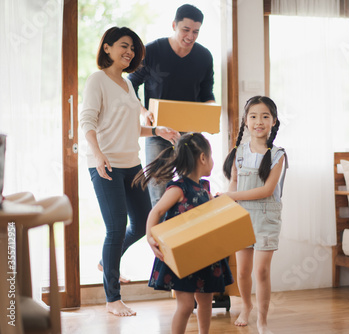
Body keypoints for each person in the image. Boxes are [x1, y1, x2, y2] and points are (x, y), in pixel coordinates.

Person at [79, 26, 180, 317]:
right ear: (107, 48)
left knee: (142, 222)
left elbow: (131, 126)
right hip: (106, 165)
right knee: (115, 227)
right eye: (124, 45)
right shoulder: (97, 80)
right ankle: (113, 298)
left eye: (133, 48)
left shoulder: (127, 84)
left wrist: (156, 130)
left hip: (131, 164)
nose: (130, 52)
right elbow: (87, 121)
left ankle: (105, 260)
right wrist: (97, 155)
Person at [133, 132, 233, 334]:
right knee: (186, 305)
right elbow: (157, 211)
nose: (212, 161)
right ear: (203, 158)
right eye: (211, 156)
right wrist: (150, 237)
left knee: (205, 302)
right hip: (182, 257)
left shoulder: (205, 188)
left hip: (205, 256)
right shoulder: (178, 188)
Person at [128, 4, 215, 208]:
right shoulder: (152, 51)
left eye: (196, 32)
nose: (190, 36)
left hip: (190, 136)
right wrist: (143, 111)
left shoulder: (204, 57)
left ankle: (185, 238)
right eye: (185, 30)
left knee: (192, 194)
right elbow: (130, 84)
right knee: (159, 195)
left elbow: (207, 94)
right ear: (174, 25)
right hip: (159, 133)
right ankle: (160, 238)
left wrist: (209, 113)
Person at [221, 96, 288, 334]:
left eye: (265, 116)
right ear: (245, 122)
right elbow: (235, 185)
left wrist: (233, 196)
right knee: (241, 271)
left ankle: (262, 320)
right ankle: (246, 306)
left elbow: (267, 190)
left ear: (273, 121)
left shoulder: (278, 154)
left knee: (261, 271)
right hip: (242, 218)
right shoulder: (238, 153)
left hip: (266, 217)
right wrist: (226, 199)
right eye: (253, 116)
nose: (259, 121)